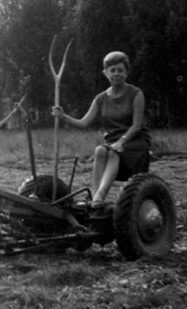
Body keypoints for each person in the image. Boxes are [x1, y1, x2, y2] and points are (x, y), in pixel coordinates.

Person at [52, 51, 151, 209]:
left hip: (135, 141)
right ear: (106, 73)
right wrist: (63, 116)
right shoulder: (101, 98)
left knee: (112, 152)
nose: (116, 74)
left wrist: (121, 142)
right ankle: (94, 196)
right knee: (100, 150)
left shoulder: (136, 94)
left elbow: (136, 125)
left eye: (120, 70)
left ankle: (100, 196)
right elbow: (84, 123)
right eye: (113, 70)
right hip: (113, 142)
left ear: (126, 72)